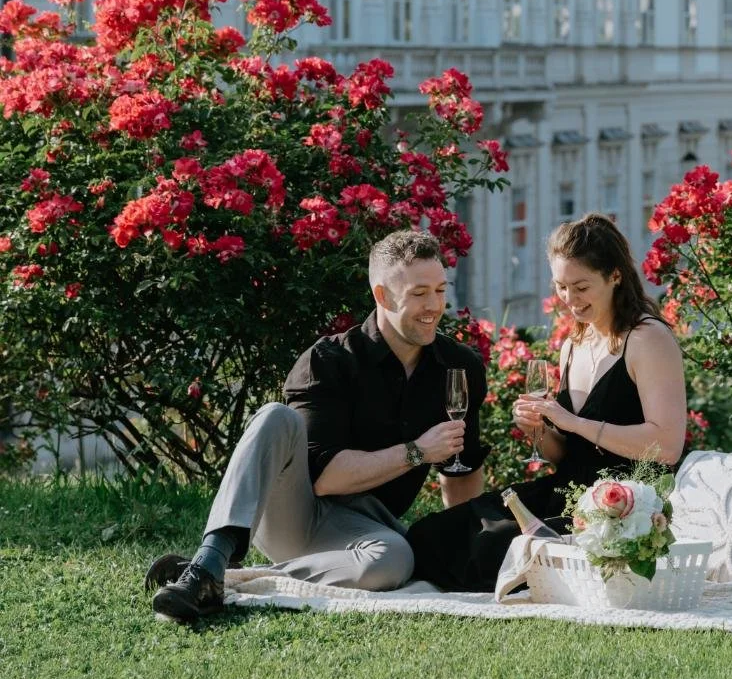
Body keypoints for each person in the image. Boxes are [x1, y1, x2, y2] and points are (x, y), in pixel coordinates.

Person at [147, 229, 489, 622]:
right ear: (382, 295)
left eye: (440, 290)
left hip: (367, 527)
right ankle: (210, 560)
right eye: (418, 294)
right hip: (297, 514)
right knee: (275, 416)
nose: (434, 306)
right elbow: (326, 479)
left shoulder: (459, 367)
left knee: (395, 560)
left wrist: (460, 546)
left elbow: (461, 468)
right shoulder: (327, 361)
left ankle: (223, 579)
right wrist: (418, 451)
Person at [406, 213, 686, 591]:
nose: (570, 300)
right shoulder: (573, 344)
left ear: (615, 275)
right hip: (568, 490)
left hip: (628, 504)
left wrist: (572, 423)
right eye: (561, 287)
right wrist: (541, 433)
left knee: (489, 549)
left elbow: (666, 446)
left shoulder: (647, 338)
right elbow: (570, 454)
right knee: (433, 533)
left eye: (581, 286)